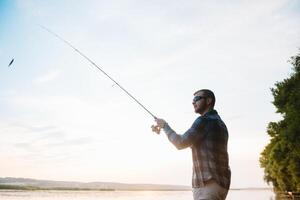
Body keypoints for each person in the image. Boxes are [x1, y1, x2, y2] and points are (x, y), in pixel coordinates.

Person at [152, 89, 231, 200]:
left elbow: (180, 143)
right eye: (193, 100)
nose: (193, 102)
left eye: (197, 99)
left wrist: (165, 126)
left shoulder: (204, 121)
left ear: (209, 101)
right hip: (221, 186)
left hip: (207, 185)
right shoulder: (221, 124)